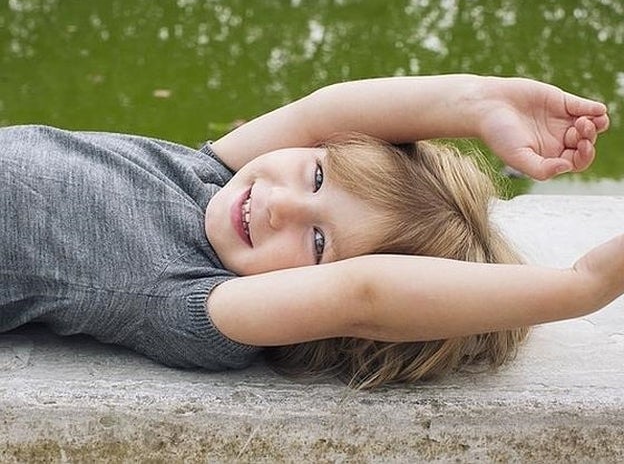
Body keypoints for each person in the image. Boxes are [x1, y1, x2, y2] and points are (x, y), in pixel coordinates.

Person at [0, 74, 617, 389]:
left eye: (318, 243)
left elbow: (367, 293)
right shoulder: (214, 175)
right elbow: (328, 110)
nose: (282, 206)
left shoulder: (196, 303)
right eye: (317, 174)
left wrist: (579, 288)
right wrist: (478, 102)